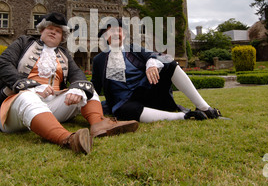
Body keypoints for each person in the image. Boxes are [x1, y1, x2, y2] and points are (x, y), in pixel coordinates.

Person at [0, 12, 138, 154]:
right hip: (16, 110)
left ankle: (99, 125)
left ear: (62, 37)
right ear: (41, 31)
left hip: (52, 106)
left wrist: (78, 89)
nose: (53, 31)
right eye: (49, 28)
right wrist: (31, 86)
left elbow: (78, 76)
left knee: (87, 89)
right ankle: (68, 139)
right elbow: (4, 64)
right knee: (27, 97)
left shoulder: (64, 55)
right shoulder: (23, 43)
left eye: (58, 30)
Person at [91, 18, 222, 123]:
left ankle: (205, 108)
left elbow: (155, 55)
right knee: (123, 111)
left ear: (124, 35)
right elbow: (95, 87)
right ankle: (184, 117)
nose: (114, 34)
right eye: (110, 31)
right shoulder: (99, 60)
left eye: (118, 30)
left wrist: (151, 63)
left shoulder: (134, 49)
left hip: (148, 91)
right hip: (125, 103)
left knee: (169, 63)